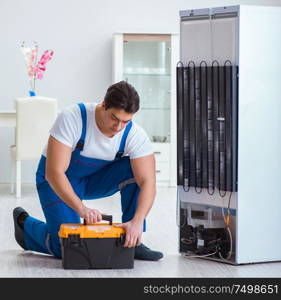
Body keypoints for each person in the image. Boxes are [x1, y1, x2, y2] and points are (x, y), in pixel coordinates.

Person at [13, 81, 163, 261]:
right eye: (114, 118)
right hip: (56, 180)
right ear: (103, 105)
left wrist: (138, 221)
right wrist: (81, 209)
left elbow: (148, 182)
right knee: (68, 248)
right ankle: (25, 228)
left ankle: (133, 240)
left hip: (92, 181)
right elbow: (53, 173)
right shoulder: (73, 118)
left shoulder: (134, 134)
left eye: (125, 121)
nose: (118, 127)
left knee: (136, 171)